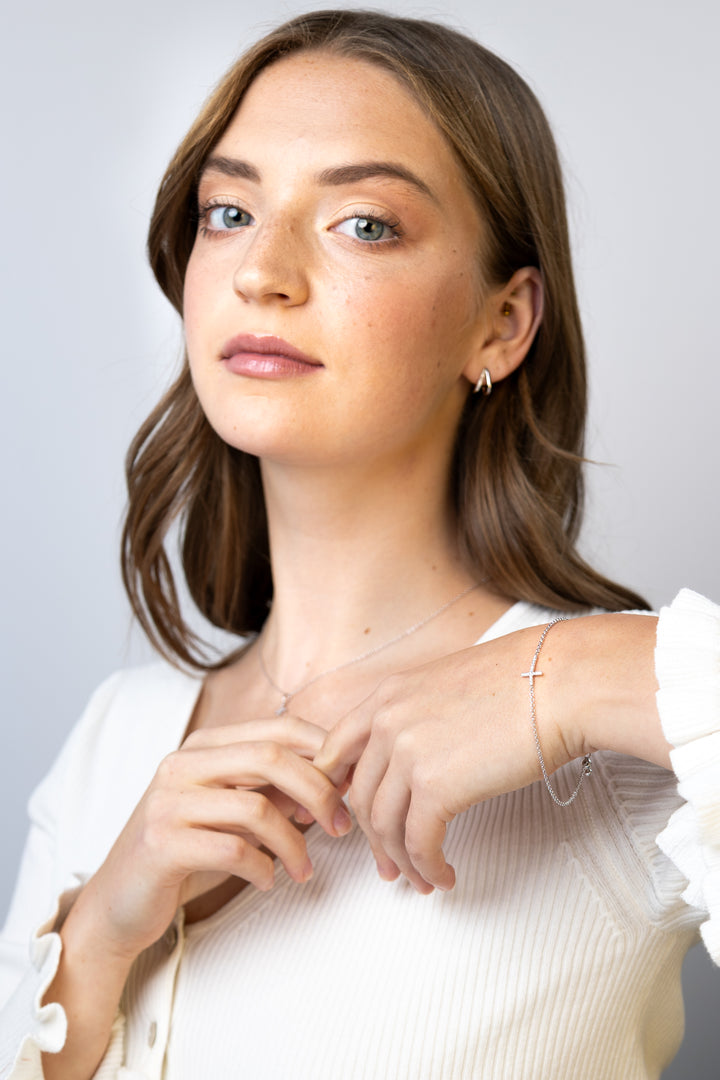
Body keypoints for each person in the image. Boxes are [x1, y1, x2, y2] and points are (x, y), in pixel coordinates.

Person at [0, 8, 717, 1078]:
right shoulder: (119, 735)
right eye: (230, 211)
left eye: (364, 224)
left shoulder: (620, 755)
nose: (263, 272)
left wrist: (576, 675)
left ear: (503, 324)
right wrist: (101, 930)